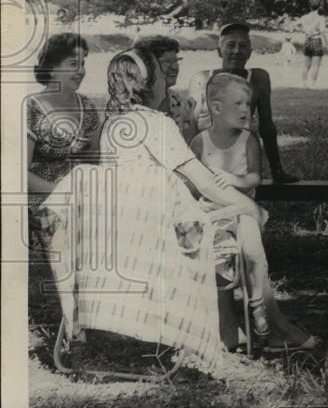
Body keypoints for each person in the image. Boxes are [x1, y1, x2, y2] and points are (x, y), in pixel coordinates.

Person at [41, 48, 270, 374]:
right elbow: (204, 182)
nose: (167, 82)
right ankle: (249, 321)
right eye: (162, 76)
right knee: (234, 225)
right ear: (149, 84)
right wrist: (249, 205)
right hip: (155, 240)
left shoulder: (113, 126)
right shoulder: (157, 125)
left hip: (116, 240)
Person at [189, 73, 318, 351]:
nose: (246, 110)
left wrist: (233, 179)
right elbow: (191, 184)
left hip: (242, 212)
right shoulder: (200, 143)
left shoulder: (248, 140)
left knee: (250, 242)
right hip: (213, 215)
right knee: (218, 250)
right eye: (238, 104)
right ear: (216, 108)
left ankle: (257, 301)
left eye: (248, 104)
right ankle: (231, 327)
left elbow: (254, 179)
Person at [187, 23, 299, 184]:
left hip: (237, 156)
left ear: (250, 53)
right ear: (219, 51)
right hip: (206, 154)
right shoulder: (201, 79)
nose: (237, 51)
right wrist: (192, 169)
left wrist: (277, 172)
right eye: (231, 45)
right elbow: (190, 125)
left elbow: (267, 126)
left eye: (243, 46)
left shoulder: (258, 78)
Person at [26, 33, 101, 195]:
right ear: (52, 68)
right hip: (41, 202)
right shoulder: (31, 109)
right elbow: (20, 174)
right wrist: (64, 194)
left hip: (83, 196)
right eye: (73, 64)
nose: (81, 71)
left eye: (82, 64)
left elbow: (97, 158)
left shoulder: (87, 107)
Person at [133, 35, 197, 142]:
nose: (174, 67)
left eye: (176, 60)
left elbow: (191, 147)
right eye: (167, 62)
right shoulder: (127, 105)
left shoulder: (183, 104)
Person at [298, 0, 328, 87]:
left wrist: (304, 31)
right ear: (319, 7)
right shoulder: (320, 18)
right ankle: (313, 84)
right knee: (316, 65)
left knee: (306, 65)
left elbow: (298, 25)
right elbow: (322, 31)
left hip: (307, 39)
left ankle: (303, 84)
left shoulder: (304, 17)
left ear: (310, 6)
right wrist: (327, 43)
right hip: (316, 40)